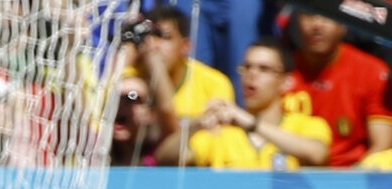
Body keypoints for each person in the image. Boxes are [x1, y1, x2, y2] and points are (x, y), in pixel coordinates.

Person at [155, 38, 330, 169]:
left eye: (264, 69)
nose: (251, 75)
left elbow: (317, 154)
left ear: (286, 82)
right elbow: (165, 158)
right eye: (247, 67)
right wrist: (196, 124)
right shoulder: (222, 133)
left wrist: (251, 123)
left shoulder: (306, 125)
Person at [286, 13, 392, 167]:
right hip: (290, 177)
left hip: (354, 176)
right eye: (309, 15)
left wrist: (349, 183)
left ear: (344, 23)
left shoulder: (372, 71)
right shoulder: (279, 72)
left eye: (327, 16)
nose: (317, 25)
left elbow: (383, 145)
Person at [126, 6, 235, 140]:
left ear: (186, 46)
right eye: (149, 37)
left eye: (164, 37)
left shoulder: (214, 83)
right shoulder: (130, 79)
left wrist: (157, 70)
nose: (154, 45)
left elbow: (179, 141)